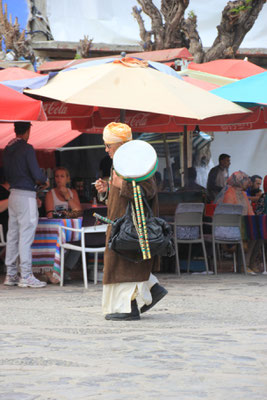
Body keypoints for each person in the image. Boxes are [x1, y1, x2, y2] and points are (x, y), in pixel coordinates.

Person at [95, 122, 168, 321]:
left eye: (109, 145)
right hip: (120, 225)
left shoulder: (138, 162)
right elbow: (120, 196)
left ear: (120, 145)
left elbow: (147, 190)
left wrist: (121, 184)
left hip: (131, 228)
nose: (106, 149)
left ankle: (128, 308)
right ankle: (152, 290)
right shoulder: (120, 163)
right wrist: (108, 189)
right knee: (121, 267)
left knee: (126, 268)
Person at [3, 121, 49, 288]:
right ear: (28, 130)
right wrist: (44, 179)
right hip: (26, 195)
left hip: (13, 194)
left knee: (13, 235)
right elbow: (37, 173)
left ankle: (10, 274)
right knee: (26, 236)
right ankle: (26, 275)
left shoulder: (8, 148)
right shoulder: (27, 148)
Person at [45, 167, 82, 283]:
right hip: (55, 229)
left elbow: (79, 211)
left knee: (80, 242)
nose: (59, 179)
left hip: (69, 228)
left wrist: (67, 197)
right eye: (56, 176)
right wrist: (68, 214)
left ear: (67, 178)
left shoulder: (73, 192)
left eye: (62, 176)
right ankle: (55, 270)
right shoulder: (51, 194)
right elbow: (50, 214)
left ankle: (65, 269)